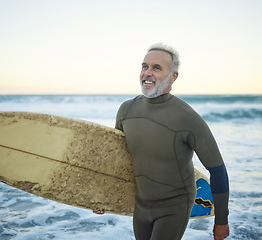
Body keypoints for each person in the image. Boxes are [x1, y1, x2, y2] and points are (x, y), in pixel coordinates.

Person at [96, 43, 230, 240]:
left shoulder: (187, 117)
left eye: (156, 68)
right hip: (141, 205)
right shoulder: (126, 110)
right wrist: (102, 196)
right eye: (144, 66)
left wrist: (221, 221)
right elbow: (119, 161)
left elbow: (217, 170)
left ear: (173, 76)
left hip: (174, 205)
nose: (147, 73)